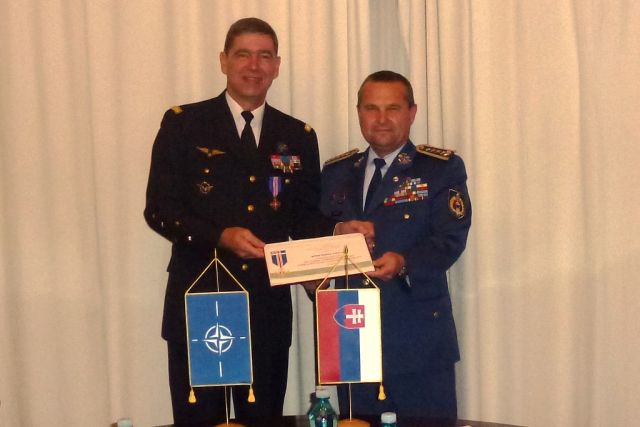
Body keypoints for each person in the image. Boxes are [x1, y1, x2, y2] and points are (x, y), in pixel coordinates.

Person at [144, 17, 370, 425]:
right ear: (224, 61)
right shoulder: (184, 124)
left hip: (265, 307)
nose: (254, 65)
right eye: (243, 55)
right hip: (202, 302)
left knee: (263, 419)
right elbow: (160, 209)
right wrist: (220, 236)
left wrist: (339, 231)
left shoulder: (298, 135)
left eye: (264, 56)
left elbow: (302, 217)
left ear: (277, 66)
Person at [320, 70, 472, 419]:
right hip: (350, 335)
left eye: (393, 108)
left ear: (412, 113)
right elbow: (318, 234)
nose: (382, 119)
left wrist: (404, 262)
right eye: (371, 108)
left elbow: (450, 238)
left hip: (417, 335)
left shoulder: (439, 169)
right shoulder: (336, 172)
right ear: (359, 113)